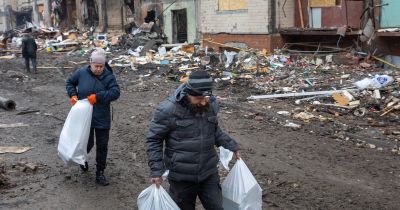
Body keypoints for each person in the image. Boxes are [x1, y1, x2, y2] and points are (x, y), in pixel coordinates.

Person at [146, 70, 241, 210]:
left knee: (217, 207)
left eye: (206, 98)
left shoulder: (211, 104)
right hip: (181, 177)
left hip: (208, 172)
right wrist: (156, 170)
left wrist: (231, 145)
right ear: (188, 94)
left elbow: (214, 131)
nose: (203, 103)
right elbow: (154, 139)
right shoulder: (168, 109)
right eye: (198, 99)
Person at [66, 48, 120, 186]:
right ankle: (82, 160)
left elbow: (115, 92)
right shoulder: (81, 73)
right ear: (90, 63)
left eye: (101, 66)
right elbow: (70, 82)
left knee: (102, 146)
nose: (98, 69)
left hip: (102, 117)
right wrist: (73, 95)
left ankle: (100, 173)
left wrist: (98, 97)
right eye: (96, 66)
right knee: (86, 143)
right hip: (85, 118)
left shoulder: (108, 76)